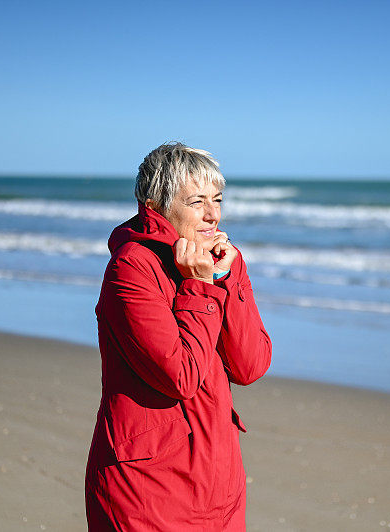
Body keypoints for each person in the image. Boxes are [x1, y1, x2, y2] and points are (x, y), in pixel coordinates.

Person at [85, 142, 272, 531]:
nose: (212, 214)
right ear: (156, 207)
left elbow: (250, 365)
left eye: (217, 199)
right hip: (147, 490)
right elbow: (180, 375)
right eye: (196, 201)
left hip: (219, 484)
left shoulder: (216, 262)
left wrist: (226, 277)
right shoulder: (131, 268)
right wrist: (201, 286)